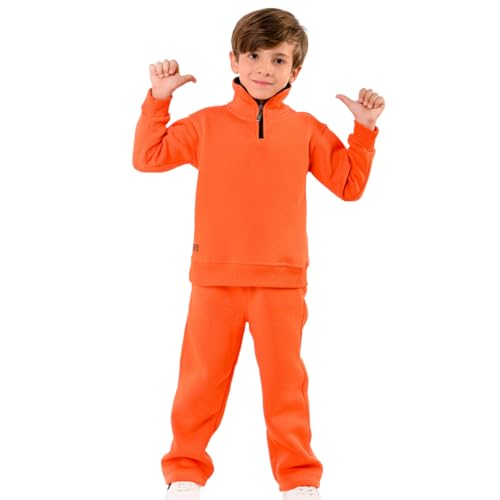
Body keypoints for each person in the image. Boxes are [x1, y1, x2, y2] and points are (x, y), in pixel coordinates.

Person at [132, 7, 385, 500]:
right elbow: (148, 157)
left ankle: (299, 480)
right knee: (200, 383)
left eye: (278, 60)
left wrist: (364, 131)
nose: (264, 69)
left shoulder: (306, 129)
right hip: (214, 278)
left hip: (282, 282)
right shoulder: (206, 124)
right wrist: (158, 100)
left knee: (286, 387)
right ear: (234, 60)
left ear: (295, 71)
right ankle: (184, 473)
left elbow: (349, 186)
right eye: (254, 56)